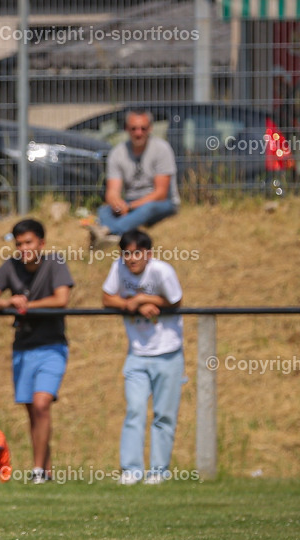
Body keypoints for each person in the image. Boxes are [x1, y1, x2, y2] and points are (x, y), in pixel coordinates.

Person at [0, 218, 74, 484]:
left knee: (43, 404)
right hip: (22, 348)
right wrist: (7, 301)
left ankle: (36, 471)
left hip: (52, 346)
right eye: (19, 243)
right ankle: (46, 471)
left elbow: (61, 299)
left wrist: (27, 306)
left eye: (29, 242)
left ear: (42, 243)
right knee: (32, 410)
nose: (24, 248)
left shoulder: (55, 262)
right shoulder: (10, 266)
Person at [101, 228, 184, 485]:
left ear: (148, 253)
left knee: (163, 414)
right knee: (135, 410)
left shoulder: (162, 271)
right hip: (136, 353)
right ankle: (132, 470)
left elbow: (176, 300)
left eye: (137, 253)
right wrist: (131, 304)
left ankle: (158, 471)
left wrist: (143, 298)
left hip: (169, 352)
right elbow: (106, 297)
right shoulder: (119, 268)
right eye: (127, 253)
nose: (132, 258)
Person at [89, 109, 179, 240]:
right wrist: (117, 204)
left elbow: (160, 194)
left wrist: (131, 207)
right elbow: (112, 192)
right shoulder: (117, 153)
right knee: (104, 210)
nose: (139, 133)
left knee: (148, 208)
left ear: (150, 128)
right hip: (130, 202)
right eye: (134, 128)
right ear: (126, 129)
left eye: (143, 128)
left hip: (159, 203)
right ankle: (117, 230)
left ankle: (109, 230)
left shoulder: (162, 149)